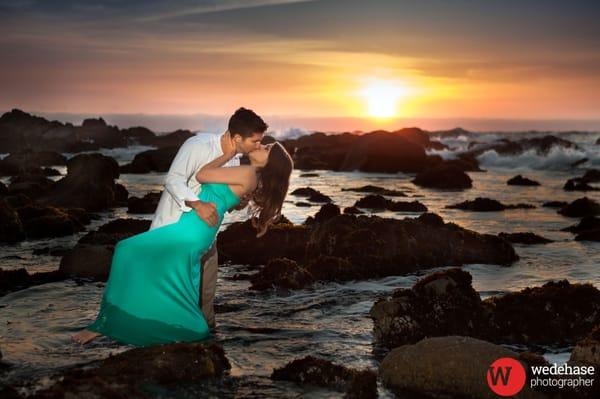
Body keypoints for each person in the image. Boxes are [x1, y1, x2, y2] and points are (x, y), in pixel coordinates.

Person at [71, 139, 293, 346]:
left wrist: (229, 153)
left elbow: (202, 175)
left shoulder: (247, 172)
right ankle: (177, 329)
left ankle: (107, 324)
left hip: (193, 229)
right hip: (198, 229)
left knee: (127, 250)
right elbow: (231, 201)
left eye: (266, 148)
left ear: (270, 163)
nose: (261, 145)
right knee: (178, 281)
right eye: (263, 142)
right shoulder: (251, 177)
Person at [149, 107, 268, 331]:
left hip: (208, 238)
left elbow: (224, 204)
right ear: (237, 138)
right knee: (171, 301)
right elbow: (173, 180)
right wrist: (197, 204)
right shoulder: (198, 145)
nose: (258, 146)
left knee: (206, 304)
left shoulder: (234, 162)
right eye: (255, 141)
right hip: (175, 231)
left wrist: (240, 203)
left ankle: (207, 349)